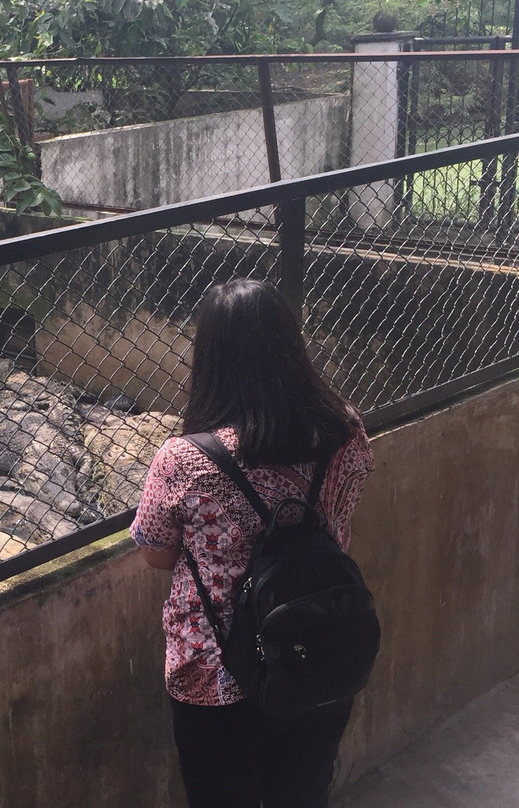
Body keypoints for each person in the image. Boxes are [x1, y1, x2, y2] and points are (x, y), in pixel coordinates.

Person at [130, 277, 375, 808]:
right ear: (290, 345)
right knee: (304, 794)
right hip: (319, 647)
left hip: (216, 673)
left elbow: (156, 553)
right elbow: (340, 520)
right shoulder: (345, 430)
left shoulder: (184, 458)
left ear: (210, 357)